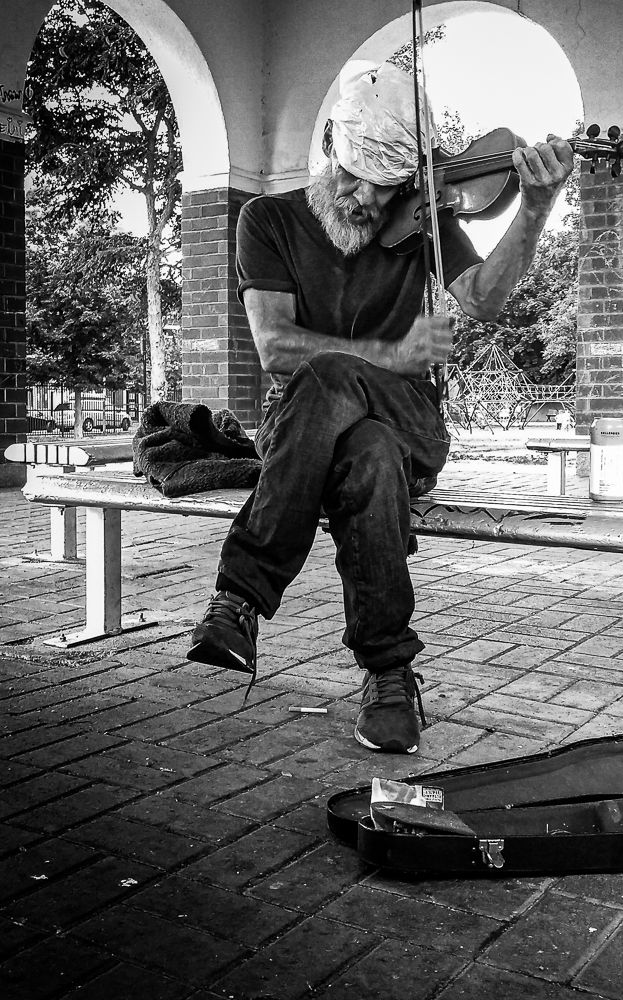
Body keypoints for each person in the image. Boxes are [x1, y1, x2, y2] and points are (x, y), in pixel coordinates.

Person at [185, 63, 574, 754]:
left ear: (413, 178)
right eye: (353, 175)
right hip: (308, 426)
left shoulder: (421, 218)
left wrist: (536, 207)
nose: (367, 196)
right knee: (364, 455)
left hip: (410, 418)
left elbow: (482, 298)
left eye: (386, 183)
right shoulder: (267, 220)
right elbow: (275, 348)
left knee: (342, 385)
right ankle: (391, 675)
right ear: (330, 143)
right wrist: (394, 354)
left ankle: (239, 599)